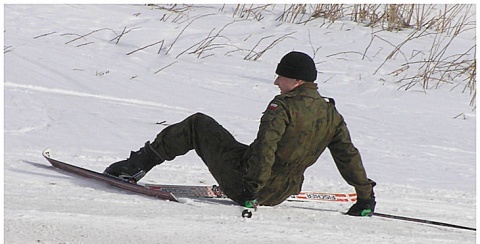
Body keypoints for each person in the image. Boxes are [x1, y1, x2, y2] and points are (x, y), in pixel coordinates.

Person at [104, 51, 376, 216]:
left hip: (249, 186)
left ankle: (135, 167)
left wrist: (251, 190)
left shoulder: (282, 107)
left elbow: (267, 147)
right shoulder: (330, 113)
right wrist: (365, 197)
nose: (276, 82)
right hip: (281, 193)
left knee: (198, 124)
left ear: (296, 80)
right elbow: (347, 155)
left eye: (280, 77)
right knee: (244, 148)